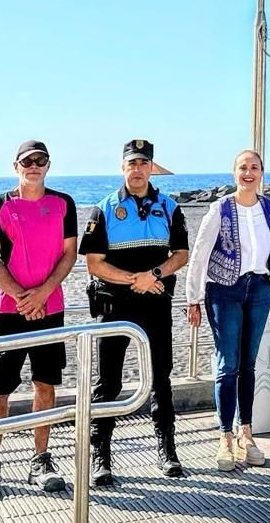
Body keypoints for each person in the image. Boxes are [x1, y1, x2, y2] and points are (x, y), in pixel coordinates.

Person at [0, 140, 79, 502]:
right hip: (9, 309)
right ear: (15, 166)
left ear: (48, 165)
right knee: (0, 387)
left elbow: (69, 254)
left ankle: (41, 460)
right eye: (27, 161)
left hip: (50, 307)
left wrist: (43, 293)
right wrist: (23, 297)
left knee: (45, 384)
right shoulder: (0, 205)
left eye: (40, 160)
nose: (34, 165)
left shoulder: (63, 203)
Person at [80, 139, 191, 483]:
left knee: (161, 378)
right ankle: (101, 455)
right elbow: (94, 263)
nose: (138, 169)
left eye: (143, 163)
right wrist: (135, 280)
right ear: (123, 167)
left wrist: (153, 275)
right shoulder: (104, 209)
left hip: (156, 303)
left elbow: (181, 255)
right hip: (115, 306)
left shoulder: (169, 207)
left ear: (151, 168)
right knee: (108, 382)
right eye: (132, 163)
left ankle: (167, 450)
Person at [185, 149, 270, 471]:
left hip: (259, 289)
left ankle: (246, 433)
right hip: (224, 290)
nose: (248, 173)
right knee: (228, 364)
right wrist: (193, 298)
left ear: (261, 173)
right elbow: (200, 255)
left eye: (254, 167)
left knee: (248, 364)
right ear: (234, 172)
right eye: (243, 167)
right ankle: (225, 435)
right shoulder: (219, 208)